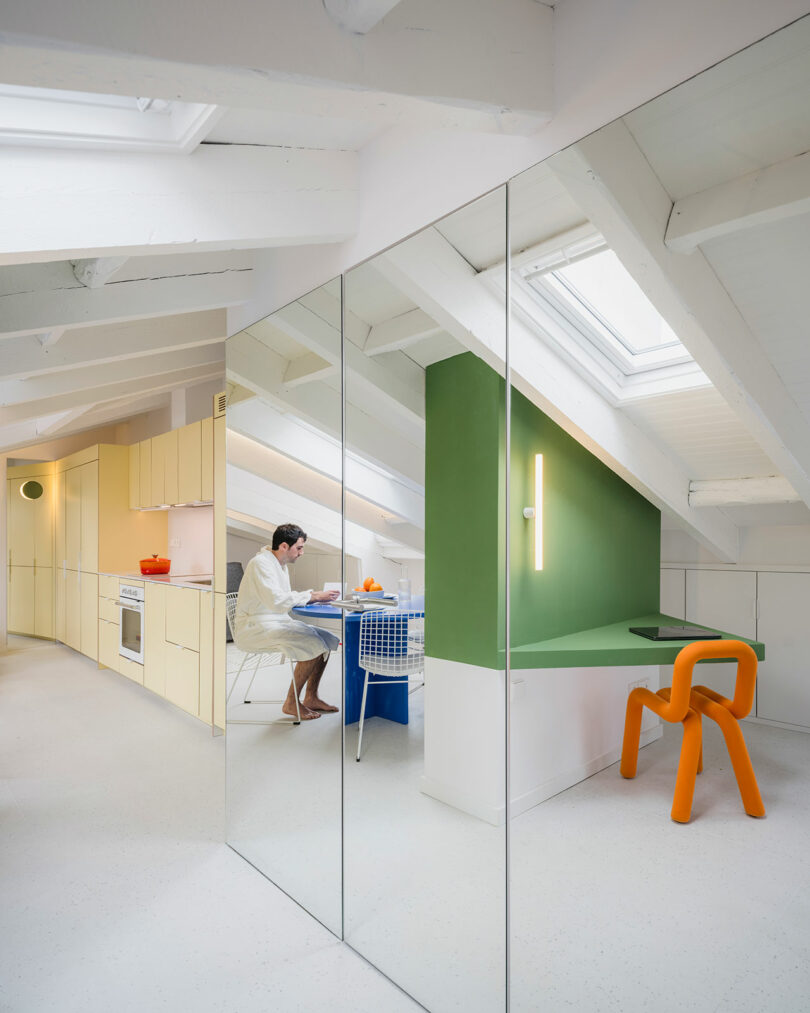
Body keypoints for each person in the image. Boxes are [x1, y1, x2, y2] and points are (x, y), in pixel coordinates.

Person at [234, 523, 341, 720]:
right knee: (313, 644)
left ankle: (311, 697)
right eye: (299, 548)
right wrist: (314, 595)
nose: (301, 553)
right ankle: (291, 702)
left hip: (275, 621)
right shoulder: (260, 564)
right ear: (284, 546)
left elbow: (283, 599)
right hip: (255, 627)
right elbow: (277, 601)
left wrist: (314, 596)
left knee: (327, 640)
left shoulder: (280, 565)